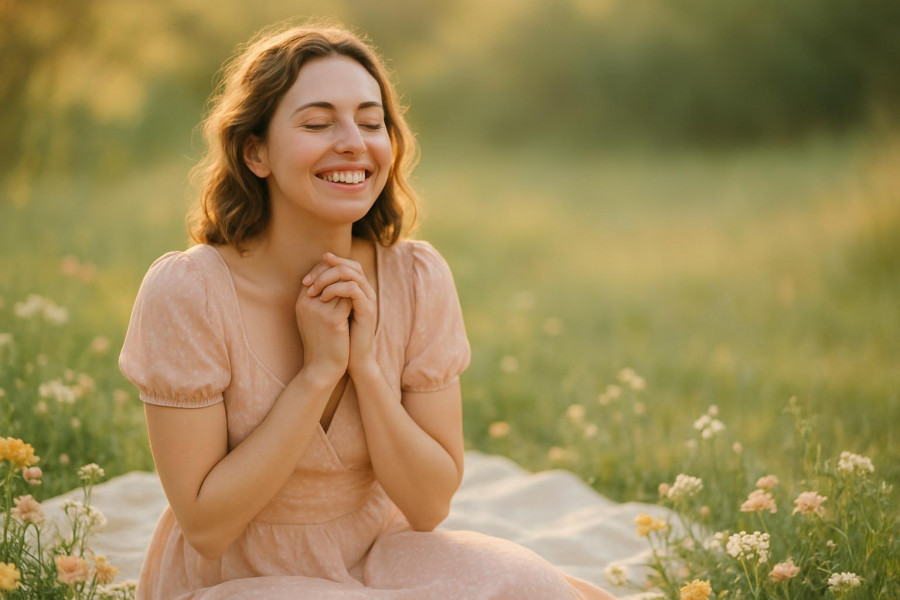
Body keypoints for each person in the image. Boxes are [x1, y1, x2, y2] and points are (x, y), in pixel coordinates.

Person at [119, 21, 615, 599]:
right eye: (318, 122)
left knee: (527, 581)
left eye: (372, 121)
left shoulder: (416, 277)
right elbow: (207, 527)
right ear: (256, 152)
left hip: (379, 551)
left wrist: (366, 368)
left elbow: (429, 506)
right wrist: (318, 373)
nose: (355, 142)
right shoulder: (189, 291)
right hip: (242, 572)